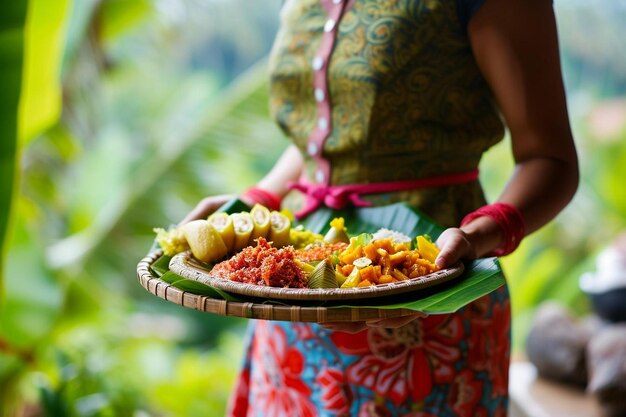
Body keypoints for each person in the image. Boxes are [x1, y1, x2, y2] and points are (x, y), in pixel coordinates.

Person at [183, 0, 579, 415]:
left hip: (430, 305)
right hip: (298, 304)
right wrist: (259, 199)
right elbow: (331, 138)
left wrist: (477, 235)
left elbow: (550, 160)